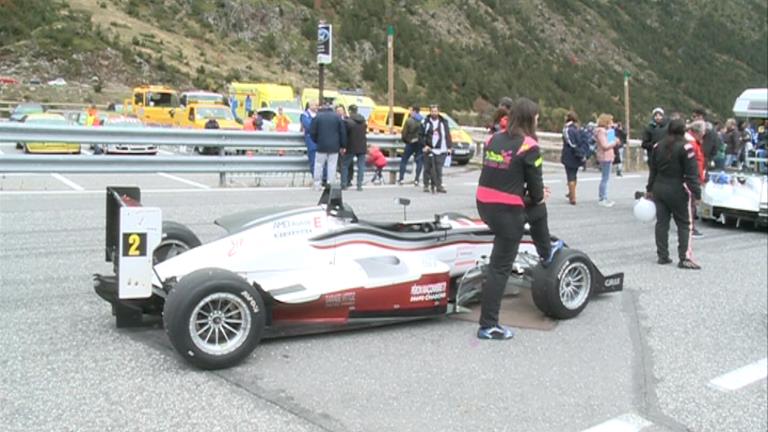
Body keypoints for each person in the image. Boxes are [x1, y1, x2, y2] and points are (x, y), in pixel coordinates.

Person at [475, 97, 563, 340]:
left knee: (536, 210)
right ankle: (488, 325)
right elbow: (535, 191)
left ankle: (546, 251)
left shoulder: (494, 137)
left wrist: (529, 196)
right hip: (506, 211)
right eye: (537, 117)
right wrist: (537, 194)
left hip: (484, 203)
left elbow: (499, 175)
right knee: (499, 268)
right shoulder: (529, 145)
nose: (538, 120)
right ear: (529, 119)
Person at [646, 118, 701, 269]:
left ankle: (662, 256)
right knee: (684, 224)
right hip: (678, 189)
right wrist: (697, 194)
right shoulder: (686, 148)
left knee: (662, 223)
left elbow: (653, 170)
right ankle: (684, 257)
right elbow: (692, 174)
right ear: (683, 131)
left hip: (659, 187)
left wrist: (649, 189)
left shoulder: (658, 146)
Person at [310, 104, 347, 190]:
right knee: (332, 166)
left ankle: (317, 184)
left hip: (321, 145)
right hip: (334, 146)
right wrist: (343, 145)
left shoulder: (317, 117)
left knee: (319, 165)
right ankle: (330, 185)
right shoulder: (337, 117)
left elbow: (312, 132)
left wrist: (317, 141)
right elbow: (342, 132)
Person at [421, 104, 452, 193]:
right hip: (429, 148)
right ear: (430, 112)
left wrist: (449, 147)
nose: (434, 113)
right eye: (432, 111)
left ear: (438, 112)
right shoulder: (425, 122)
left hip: (441, 149)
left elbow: (447, 135)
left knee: (439, 168)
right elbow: (421, 135)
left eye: (436, 111)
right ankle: (426, 185)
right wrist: (424, 145)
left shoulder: (443, 122)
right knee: (427, 168)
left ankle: (439, 185)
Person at [687, 121, 708, 238]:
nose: (704, 134)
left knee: (691, 203)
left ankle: (690, 226)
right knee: (692, 203)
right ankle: (690, 227)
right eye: (703, 131)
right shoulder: (692, 144)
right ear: (698, 132)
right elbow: (694, 163)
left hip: (694, 175)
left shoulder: (695, 142)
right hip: (692, 177)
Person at [595, 113, 619, 207]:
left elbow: (609, 141)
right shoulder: (601, 131)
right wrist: (614, 142)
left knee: (605, 178)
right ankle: (602, 198)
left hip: (608, 156)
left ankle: (604, 196)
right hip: (605, 156)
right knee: (605, 178)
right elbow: (605, 145)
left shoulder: (607, 131)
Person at [341, 105, 368, 191]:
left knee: (345, 165)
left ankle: (344, 184)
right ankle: (359, 185)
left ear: (349, 111)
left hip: (351, 146)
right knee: (361, 166)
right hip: (362, 146)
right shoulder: (363, 121)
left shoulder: (348, 122)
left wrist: (343, 146)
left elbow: (344, 135)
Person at [560, 111, 585, 205]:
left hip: (569, 154)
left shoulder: (567, 129)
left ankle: (572, 196)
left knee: (570, 175)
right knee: (574, 174)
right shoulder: (578, 128)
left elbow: (570, 143)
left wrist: (575, 149)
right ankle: (572, 192)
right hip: (578, 155)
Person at [398, 106, 424, 186]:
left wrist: (406, 141)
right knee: (419, 162)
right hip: (420, 143)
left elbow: (404, 133)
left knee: (404, 160)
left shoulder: (409, 121)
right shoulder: (422, 121)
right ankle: (416, 180)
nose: (410, 112)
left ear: (414, 111)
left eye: (411, 110)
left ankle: (401, 179)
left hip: (410, 142)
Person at [300, 101, 319, 176]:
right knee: (313, 160)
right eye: (315, 105)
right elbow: (308, 126)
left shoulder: (318, 114)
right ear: (310, 106)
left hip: (320, 139)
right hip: (311, 139)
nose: (317, 107)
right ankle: (315, 178)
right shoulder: (305, 115)